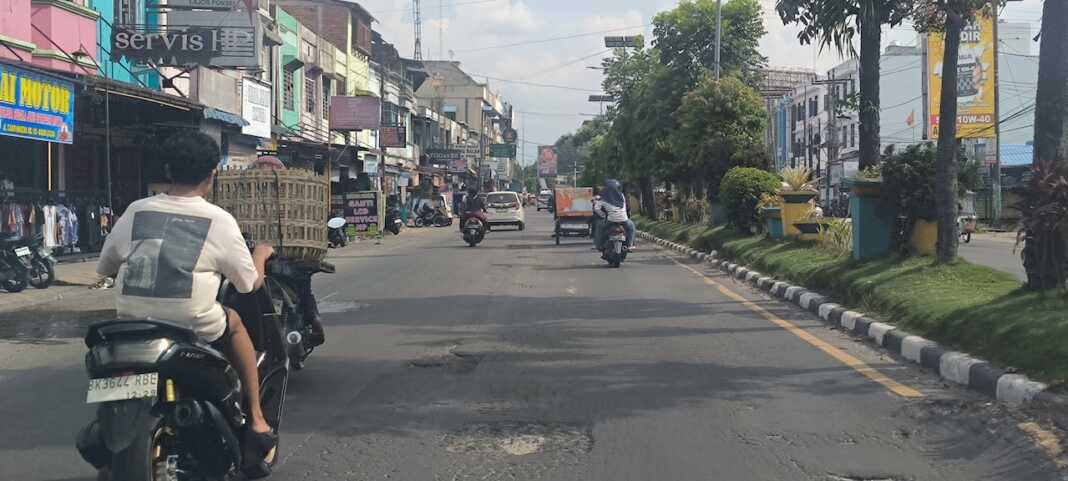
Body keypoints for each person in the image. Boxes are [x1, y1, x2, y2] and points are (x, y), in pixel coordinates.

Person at [95, 131, 278, 475]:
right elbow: (248, 284)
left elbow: (105, 267)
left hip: (131, 325)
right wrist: (261, 255)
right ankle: (255, 418)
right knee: (235, 320)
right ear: (212, 175)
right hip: (191, 324)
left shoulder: (136, 210)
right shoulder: (219, 220)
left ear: (167, 170)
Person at [594, 179, 636, 251]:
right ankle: (630, 245)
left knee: (599, 227)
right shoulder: (622, 196)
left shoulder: (603, 198)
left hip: (611, 220)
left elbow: (596, 209)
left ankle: (599, 245)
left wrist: (603, 215)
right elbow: (626, 206)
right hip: (624, 219)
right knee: (631, 227)